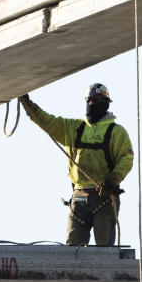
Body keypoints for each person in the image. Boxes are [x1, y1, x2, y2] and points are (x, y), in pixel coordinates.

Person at [18, 84, 134, 247]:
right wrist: (28, 105)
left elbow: (126, 158)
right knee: (72, 250)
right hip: (78, 197)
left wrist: (113, 180)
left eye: (97, 100)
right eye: (90, 100)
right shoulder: (74, 128)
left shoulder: (116, 131)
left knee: (104, 251)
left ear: (106, 103)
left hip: (104, 198)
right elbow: (47, 121)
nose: (92, 103)